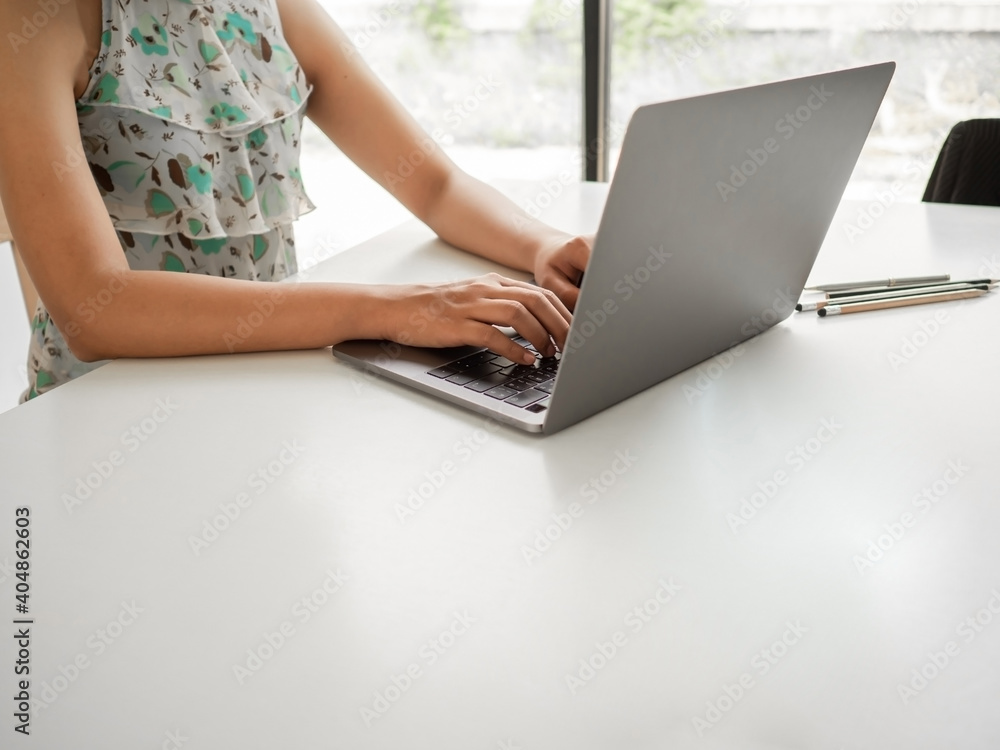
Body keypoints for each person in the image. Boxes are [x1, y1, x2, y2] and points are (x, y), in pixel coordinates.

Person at [0, 0, 591, 402]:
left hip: (265, 380)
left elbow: (435, 185)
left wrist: (543, 246)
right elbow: (94, 311)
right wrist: (398, 308)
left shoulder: (276, 7)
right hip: (101, 414)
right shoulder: (32, 20)